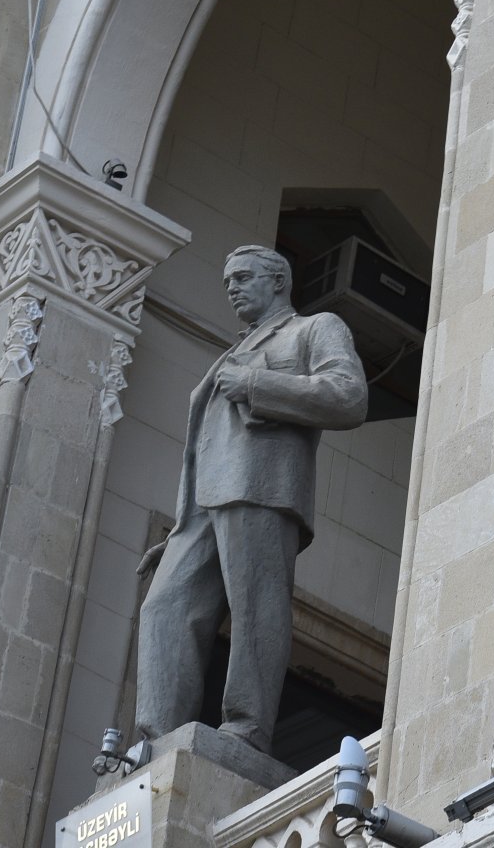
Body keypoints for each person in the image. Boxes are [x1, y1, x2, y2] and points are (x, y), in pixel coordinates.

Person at [134, 245, 367, 755]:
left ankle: (246, 727)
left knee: (256, 605)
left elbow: (349, 396)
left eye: (243, 277)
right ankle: (154, 741)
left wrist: (257, 383)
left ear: (278, 280)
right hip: (204, 506)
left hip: (261, 488)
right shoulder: (229, 353)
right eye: (227, 282)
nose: (233, 289)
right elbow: (204, 448)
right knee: (163, 607)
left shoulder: (315, 328)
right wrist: (180, 528)